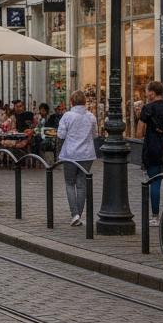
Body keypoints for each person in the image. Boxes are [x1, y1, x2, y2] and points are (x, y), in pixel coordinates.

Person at [137, 80, 163, 224]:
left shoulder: (147, 108)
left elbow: (139, 133)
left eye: (147, 92)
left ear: (152, 93)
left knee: (154, 181)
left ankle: (155, 217)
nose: (146, 94)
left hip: (153, 148)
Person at [56, 90, 97, 227]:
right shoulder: (91, 116)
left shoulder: (67, 116)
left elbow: (61, 135)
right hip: (86, 155)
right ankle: (78, 214)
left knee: (69, 183)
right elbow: (95, 135)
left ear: (71, 102)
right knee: (81, 185)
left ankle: (75, 214)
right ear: (84, 102)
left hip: (70, 154)